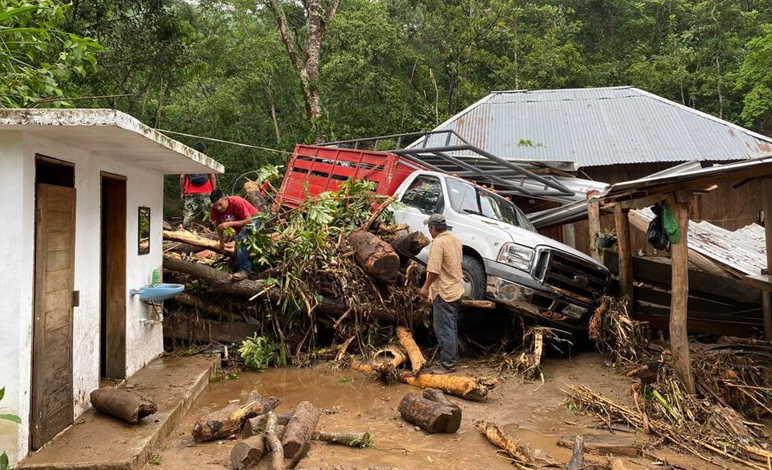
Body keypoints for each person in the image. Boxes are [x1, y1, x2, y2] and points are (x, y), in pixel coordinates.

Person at [419, 213, 464, 373]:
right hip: (456, 289)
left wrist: (425, 287)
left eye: (429, 228)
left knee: (444, 329)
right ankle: (450, 360)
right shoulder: (455, 240)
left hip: (443, 292)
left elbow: (434, 270)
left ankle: (448, 365)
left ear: (432, 228)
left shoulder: (438, 243)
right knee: (451, 327)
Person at [209, 189, 260, 281]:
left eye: (220, 204)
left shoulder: (236, 201)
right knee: (238, 245)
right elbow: (218, 225)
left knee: (241, 238)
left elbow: (249, 220)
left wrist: (230, 224)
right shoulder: (215, 209)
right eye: (216, 206)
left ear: (225, 198)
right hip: (242, 226)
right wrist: (221, 242)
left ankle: (245, 270)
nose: (219, 208)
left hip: (255, 220)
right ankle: (237, 269)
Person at [180, 142, 217, 229]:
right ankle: (216, 233)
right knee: (210, 214)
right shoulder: (207, 160)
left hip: (190, 192)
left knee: (188, 214)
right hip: (206, 191)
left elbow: (182, 177)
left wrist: (182, 192)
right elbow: (212, 177)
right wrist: (214, 191)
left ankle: (186, 232)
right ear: (204, 151)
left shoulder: (188, 161)